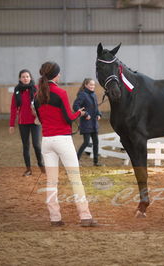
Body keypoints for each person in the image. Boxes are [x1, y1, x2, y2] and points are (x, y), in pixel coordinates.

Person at [34, 61, 98, 227]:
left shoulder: (37, 95)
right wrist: (80, 112)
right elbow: (69, 117)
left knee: (51, 182)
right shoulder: (60, 92)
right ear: (55, 75)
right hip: (62, 140)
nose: (60, 75)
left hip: (47, 141)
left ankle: (55, 217)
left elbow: (41, 120)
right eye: (59, 73)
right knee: (75, 179)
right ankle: (85, 216)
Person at [9, 69, 44, 176]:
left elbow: (42, 104)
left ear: (30, 78)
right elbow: (13, 108)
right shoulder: (17, 91)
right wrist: (11, 124)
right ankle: (28, 169)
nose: (25, 78)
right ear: (20, 78)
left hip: (35, 121)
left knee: (37, 145)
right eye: (23, 77)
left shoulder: (36, 89)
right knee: (26, 146)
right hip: (23, 122)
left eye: (27, 76)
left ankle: (41, 165)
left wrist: (42, 117)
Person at [73, 78, 102, 166]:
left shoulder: (94, 95)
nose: (92, 86)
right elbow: (75, 106)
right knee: (86, 142)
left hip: (94, 123)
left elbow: (96, 108)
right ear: (86, 85)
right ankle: (76, 160)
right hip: (86, 123)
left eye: (93, 85)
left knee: (96, 142)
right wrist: (85, 114)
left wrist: (99, 114)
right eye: (90, 85)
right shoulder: (82, 95)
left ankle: (95, 162)